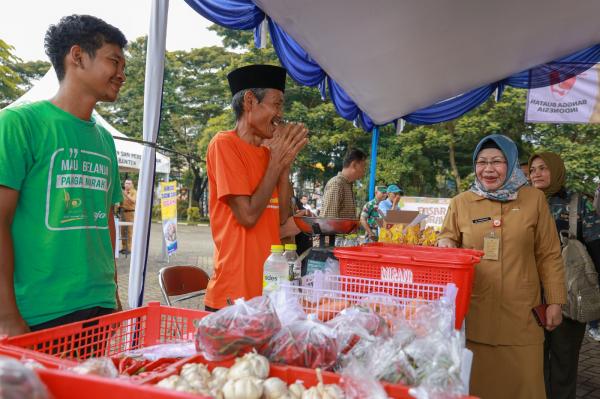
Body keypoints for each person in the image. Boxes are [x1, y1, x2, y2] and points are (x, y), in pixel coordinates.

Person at [0, 15, 127, 336]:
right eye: (114, 61)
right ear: (77, 56)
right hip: (38, 312)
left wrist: (112, 293)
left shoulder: (105, 139)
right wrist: (6, 315)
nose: (121, 74)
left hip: (97, 307)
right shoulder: (18, 124)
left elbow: (106, 220)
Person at [437, 134, 566, 399]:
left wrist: (555, 301)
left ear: (511, 163)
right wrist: (446, 243)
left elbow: (549, 254)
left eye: (497, 161)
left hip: (522, 318)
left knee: (525, 387)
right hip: (474, 315)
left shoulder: (534, 200)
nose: (488, 169)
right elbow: (446, 236)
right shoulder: (461, 202)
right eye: (481, 162)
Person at [205, 64, 308, 311]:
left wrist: (284, 168)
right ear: (250, 101)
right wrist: (276, 162)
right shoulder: (224, 144)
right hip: (233, 298)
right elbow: (248, 215)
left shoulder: (267, 154)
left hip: (268, 294)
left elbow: (281, 219)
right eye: (277, 103)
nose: (280, 114)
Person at [529, 152, 600, 398]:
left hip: (568, 293)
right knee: (531, 362)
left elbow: (596, 248)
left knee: (563, 361)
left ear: (557, 170)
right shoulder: (522, 202)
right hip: (528, 294)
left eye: (543, 168)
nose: (536, 173)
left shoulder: (578, 203)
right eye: (533, 169)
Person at [320, 149, 367, 219]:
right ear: (354, 165)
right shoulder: (337, 184)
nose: (364, 171)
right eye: (363, 166)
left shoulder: (348, 184)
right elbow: (328, 220)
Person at [119, 178, 136, 254]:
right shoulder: (122, 192)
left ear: (132, 185)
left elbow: (134, 201)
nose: (127, 185)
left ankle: (129, 248)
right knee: (122, 231)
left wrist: (126, 195)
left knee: (129, 231)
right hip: (122, 212)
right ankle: (123, 247)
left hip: (130, 213)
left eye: (129, 183)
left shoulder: (134, 192)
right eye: (126, 183)